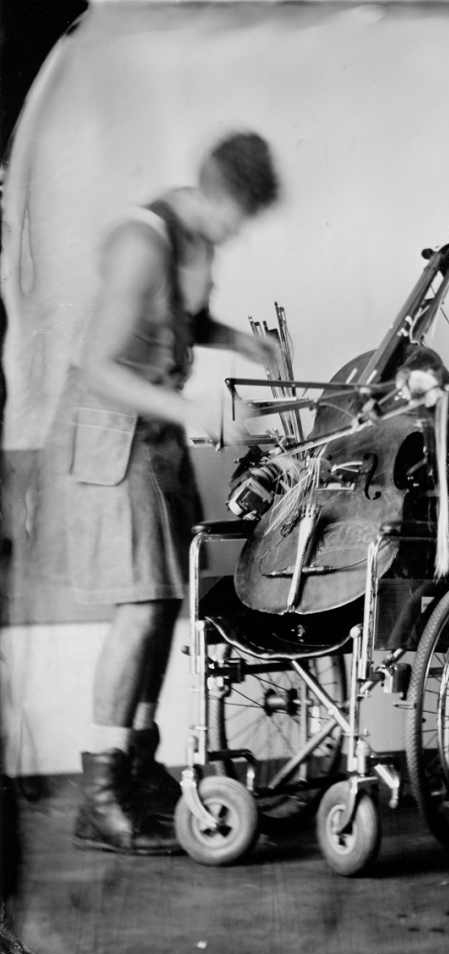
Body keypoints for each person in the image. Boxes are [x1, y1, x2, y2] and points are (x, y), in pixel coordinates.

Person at [35, 132, 282, 854]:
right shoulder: (144, 241)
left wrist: (239, 340)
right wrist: (193, 411)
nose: (237, 234)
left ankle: (138, 774)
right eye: (237, 218)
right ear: (214, 195)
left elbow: (176, 320)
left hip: (154, 436)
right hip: (113, 435)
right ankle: (100, 796)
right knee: (141, 605)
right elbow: (98, 364)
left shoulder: (189, 231)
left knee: (167, 601)